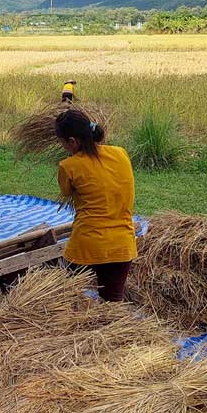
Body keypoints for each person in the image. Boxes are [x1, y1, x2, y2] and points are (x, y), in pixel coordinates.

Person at [55, 109, 136, 302]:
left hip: (87, 244)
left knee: (68, 298)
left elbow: (66, 192)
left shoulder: (68, 166)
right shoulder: (121, 153)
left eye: (62, 142)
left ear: (72, 141)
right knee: (113, 303)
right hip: (122, 244)